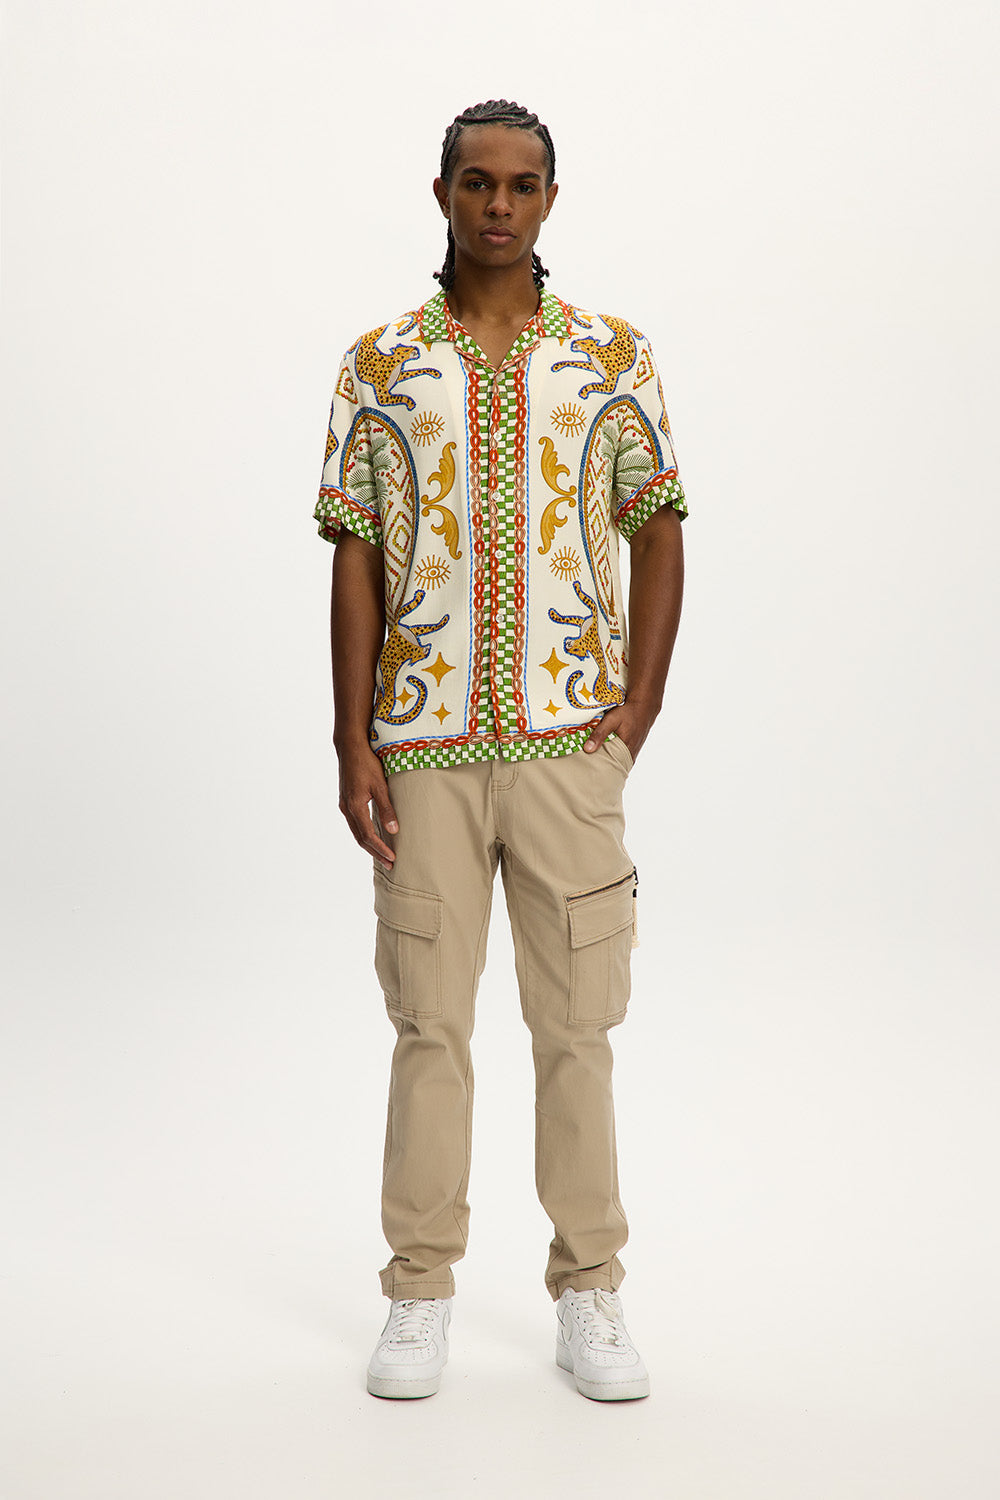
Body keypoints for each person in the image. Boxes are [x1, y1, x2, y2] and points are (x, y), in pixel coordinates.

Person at [314, 99, 687, 1402]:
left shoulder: (612, 357)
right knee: (430, 1024)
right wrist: (353, 738)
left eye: (522, 186)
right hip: (419, 747)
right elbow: (356, 558)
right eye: (477, 183)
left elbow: (658, 529)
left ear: (550, 200)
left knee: (577, 1027)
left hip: (569, 746)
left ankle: (591, 1289)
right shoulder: (379, 364)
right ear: (442, 194)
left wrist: (636, 708)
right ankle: (418, 1292)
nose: (499, 206)